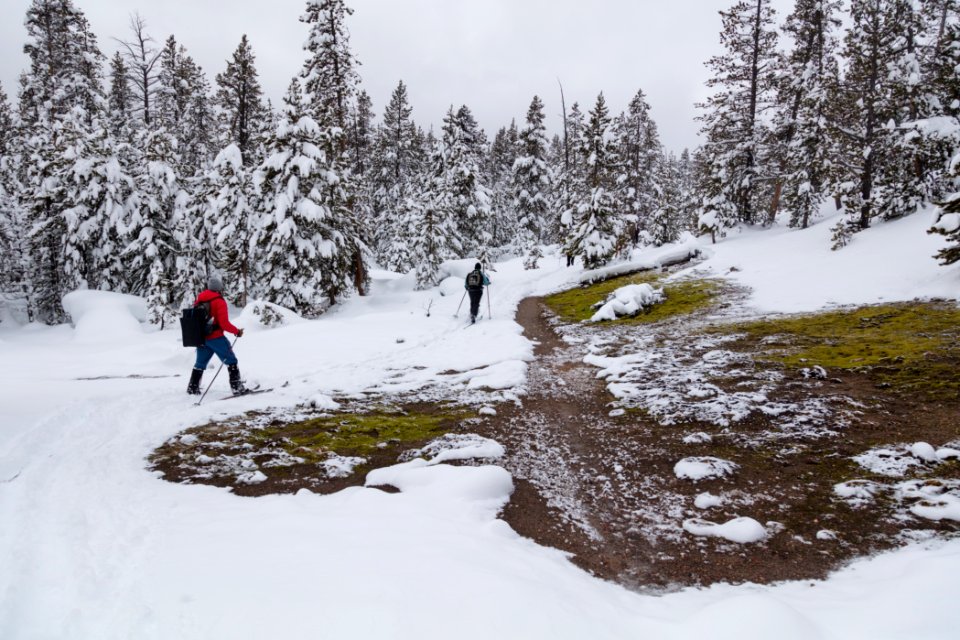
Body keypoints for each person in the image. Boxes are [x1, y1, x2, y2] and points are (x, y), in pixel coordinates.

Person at [186, 275, 246, 395]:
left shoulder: (199, 300)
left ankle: (193, 388)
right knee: (231, 360)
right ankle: (237, 388)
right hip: (216, 337)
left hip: (202, 338)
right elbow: (224, 324)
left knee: (200, 364)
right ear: (219, 288)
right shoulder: (219, 301)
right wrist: (236, 331)